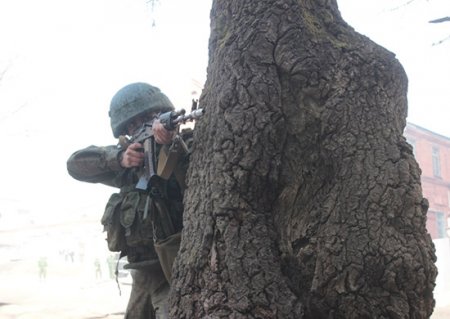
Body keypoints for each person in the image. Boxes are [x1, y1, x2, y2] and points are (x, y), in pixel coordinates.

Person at [67, 82, 190, 319]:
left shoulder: (185, 143)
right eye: (133, 124)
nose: (141, 125)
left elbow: (197, 177)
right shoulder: (130, 161)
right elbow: (75, 165)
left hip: (175, 265)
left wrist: (173, 145)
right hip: (143, 270)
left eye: (148, 117)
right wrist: (119, 158)